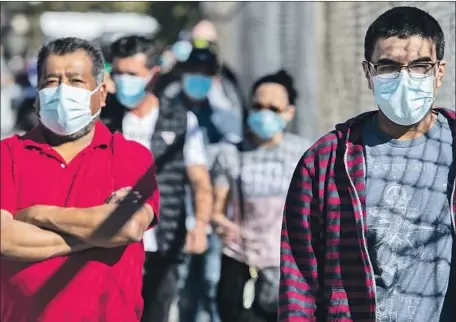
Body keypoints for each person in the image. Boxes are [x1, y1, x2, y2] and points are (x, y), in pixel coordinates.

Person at [280, 6, 455, 322]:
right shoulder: (325, 161)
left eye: (420, 66)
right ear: (368, 72)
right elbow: (300, 277)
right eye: (388, 67)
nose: (405, 78)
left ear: (439, 72)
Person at [0, 37, 160, 322]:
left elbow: (129, 226)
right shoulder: (8, 154)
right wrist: (97, 236)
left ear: (100, 94)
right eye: (51, 81)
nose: (62, 91)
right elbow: (3, 237)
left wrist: (40, 214)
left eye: (76, 81)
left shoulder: (130, 156)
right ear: (37, 94)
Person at [109, 35, 213, 322]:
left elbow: (200, 180)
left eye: (132, 74)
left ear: (153, 75)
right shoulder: (106, 119)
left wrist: (201, 225)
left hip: (163, 243)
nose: (123, 80)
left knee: (157, 311)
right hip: (112, 242)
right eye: (118, 72)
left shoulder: (181, 121)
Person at [212, 70, 312, 322]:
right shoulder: (230, 154)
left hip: (288, 267)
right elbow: (216, 210)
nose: (264, 114)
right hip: (241, 263)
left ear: (289, 113)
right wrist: (220, 223)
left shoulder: (303, 153)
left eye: (273, 108)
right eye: (257, 106)